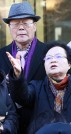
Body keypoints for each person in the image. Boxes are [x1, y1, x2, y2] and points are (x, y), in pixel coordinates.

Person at [7, 41, 71, 133]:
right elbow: (20, 97)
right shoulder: (36, 87)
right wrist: (18, 75)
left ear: (69, 65)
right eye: (49, 58)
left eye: (58, 57)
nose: (53, 60)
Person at [0, 1, 46, 133]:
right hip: (8, 126)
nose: (21, 28)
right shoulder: (1, 55)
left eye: (26, 23)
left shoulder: (48, 53)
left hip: (40, 123)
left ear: (35, 26)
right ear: (9, 28)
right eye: (15, 24)